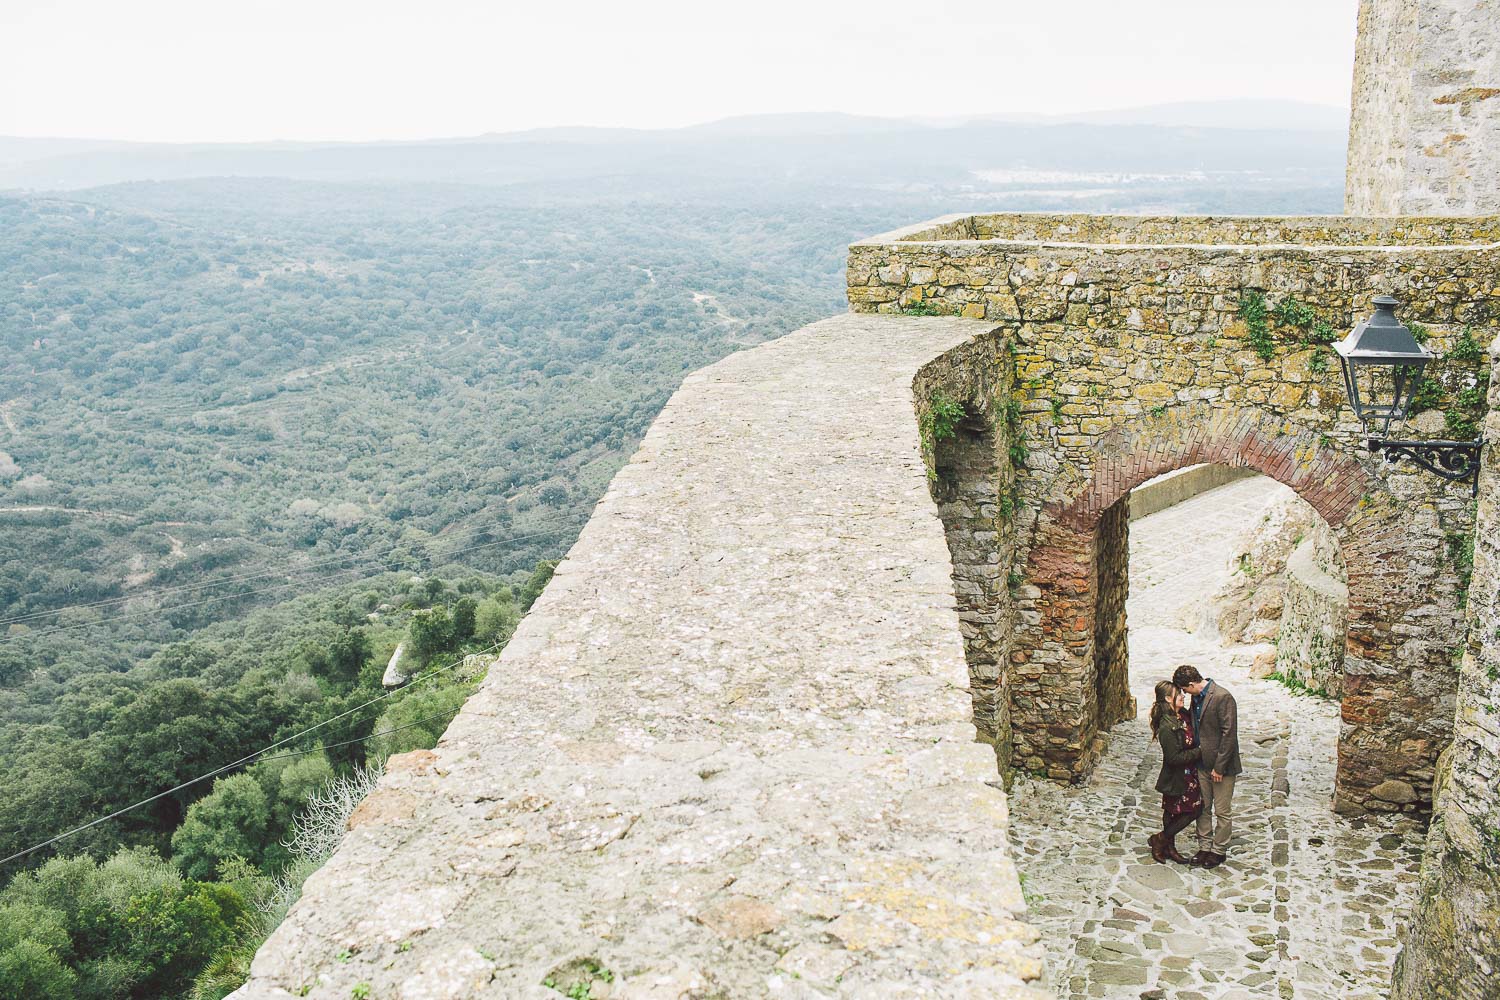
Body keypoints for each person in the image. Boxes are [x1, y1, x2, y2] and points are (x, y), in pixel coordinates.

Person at [1173, 664, 1242, 869]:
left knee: (1222, 810)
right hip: (1201, 763)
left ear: (1192, 684)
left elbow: (1229, 734)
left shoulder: (1223, 697)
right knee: (1203, 808)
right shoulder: (1196, 697)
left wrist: (1219, 768)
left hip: (1222, 766)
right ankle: (1204, 846)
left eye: (1185, 690)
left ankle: (1218, 851)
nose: (1185, 693)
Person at [1148, 679, 1202, 864]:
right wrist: (1200, 751)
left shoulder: (1184, 716)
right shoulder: (1166, 725)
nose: (1182, 696)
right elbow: (1173, 758)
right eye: (1178, 694)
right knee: (1183, 811)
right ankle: (1164, 842)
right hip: (1177, 776)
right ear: (1167, 698)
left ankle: (1164, 843)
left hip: (1191, 774)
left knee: (1187, 810)